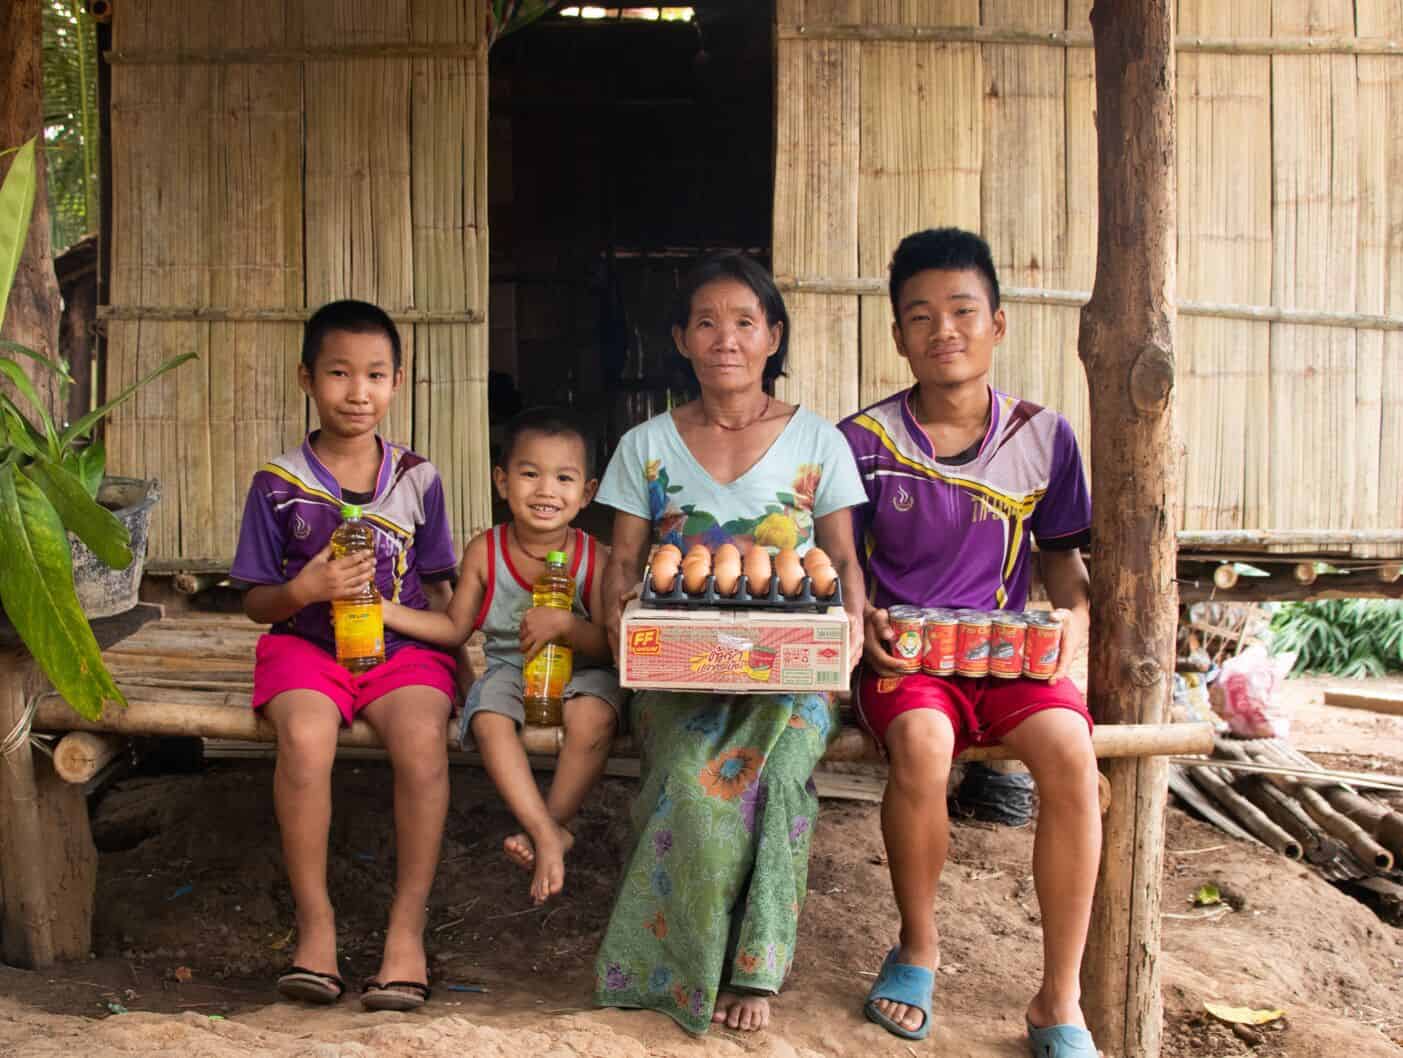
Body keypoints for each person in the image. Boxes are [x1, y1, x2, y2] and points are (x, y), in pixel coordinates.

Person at [838, 228, 1101, 1054]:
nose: (942, 330)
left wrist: (1075, 624)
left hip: (1008, 653)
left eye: (962, 311)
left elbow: (1062, 564)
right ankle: (917, 946)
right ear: (897, 337)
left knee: (1068, 753)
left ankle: (1057, 1000)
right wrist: (865, 624)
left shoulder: (1045, 437)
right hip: (905, 657)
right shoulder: (861, 442)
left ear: (997, 324)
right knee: (921, 743)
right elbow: (843, 566)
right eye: (920, 316)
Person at [592, 253, 868, 1035]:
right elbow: (622, 564)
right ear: (680, 338)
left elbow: (843, 562)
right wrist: (622, 624)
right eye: (706, 322)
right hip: (680, 669)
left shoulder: (818, 442)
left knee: (778, 780)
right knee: (690, 780)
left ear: (772, 336)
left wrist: (844, 638)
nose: (726, 338)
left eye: (744, 322)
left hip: (791, 676)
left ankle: (755, 970)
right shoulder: (645, 445)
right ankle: (677, 968)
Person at [230, 299, 462, 1011]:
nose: (357, 392)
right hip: (306, 648)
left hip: (400, 654)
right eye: (338, 373)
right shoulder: (277, 484)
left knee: (424, 744)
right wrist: (305, 586)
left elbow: (440, 586)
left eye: (374, 374)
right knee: (303, 740)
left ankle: (405, 931)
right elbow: (254, 603)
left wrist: (460, 655)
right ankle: (316, 928)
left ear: (397, 381)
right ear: (306, 378)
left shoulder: (417, 478)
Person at [379, 406, 622, 905]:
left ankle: (550, 826)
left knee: (595, 716)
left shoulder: (594, 558)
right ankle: (548, 832)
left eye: (563, 478)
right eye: (529, 474)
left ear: (587, 493)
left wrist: (569, 627)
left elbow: (607, 645)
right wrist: (384, 611)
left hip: (582, 670)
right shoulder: (484, 551)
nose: (545, 490)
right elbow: (452, 627)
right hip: (512, 668)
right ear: (502, 481)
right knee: (488, 717)